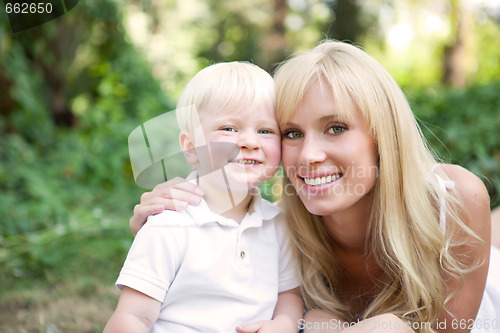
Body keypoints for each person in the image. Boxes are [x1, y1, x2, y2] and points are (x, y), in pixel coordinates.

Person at [129, 41, 499, 333]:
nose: (308, 155)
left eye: (336, 127)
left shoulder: (455, 198)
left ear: (381, 134)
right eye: (291, 133)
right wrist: (165, 219)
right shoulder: (280, 226)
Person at [104, 62, 303, 333]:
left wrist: (284, 323)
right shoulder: (169, 224)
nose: (249, 141)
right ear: (191, 147)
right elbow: (133, 318)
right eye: (229, 128)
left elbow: (288, 294)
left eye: (265, 131)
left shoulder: (278, 225)